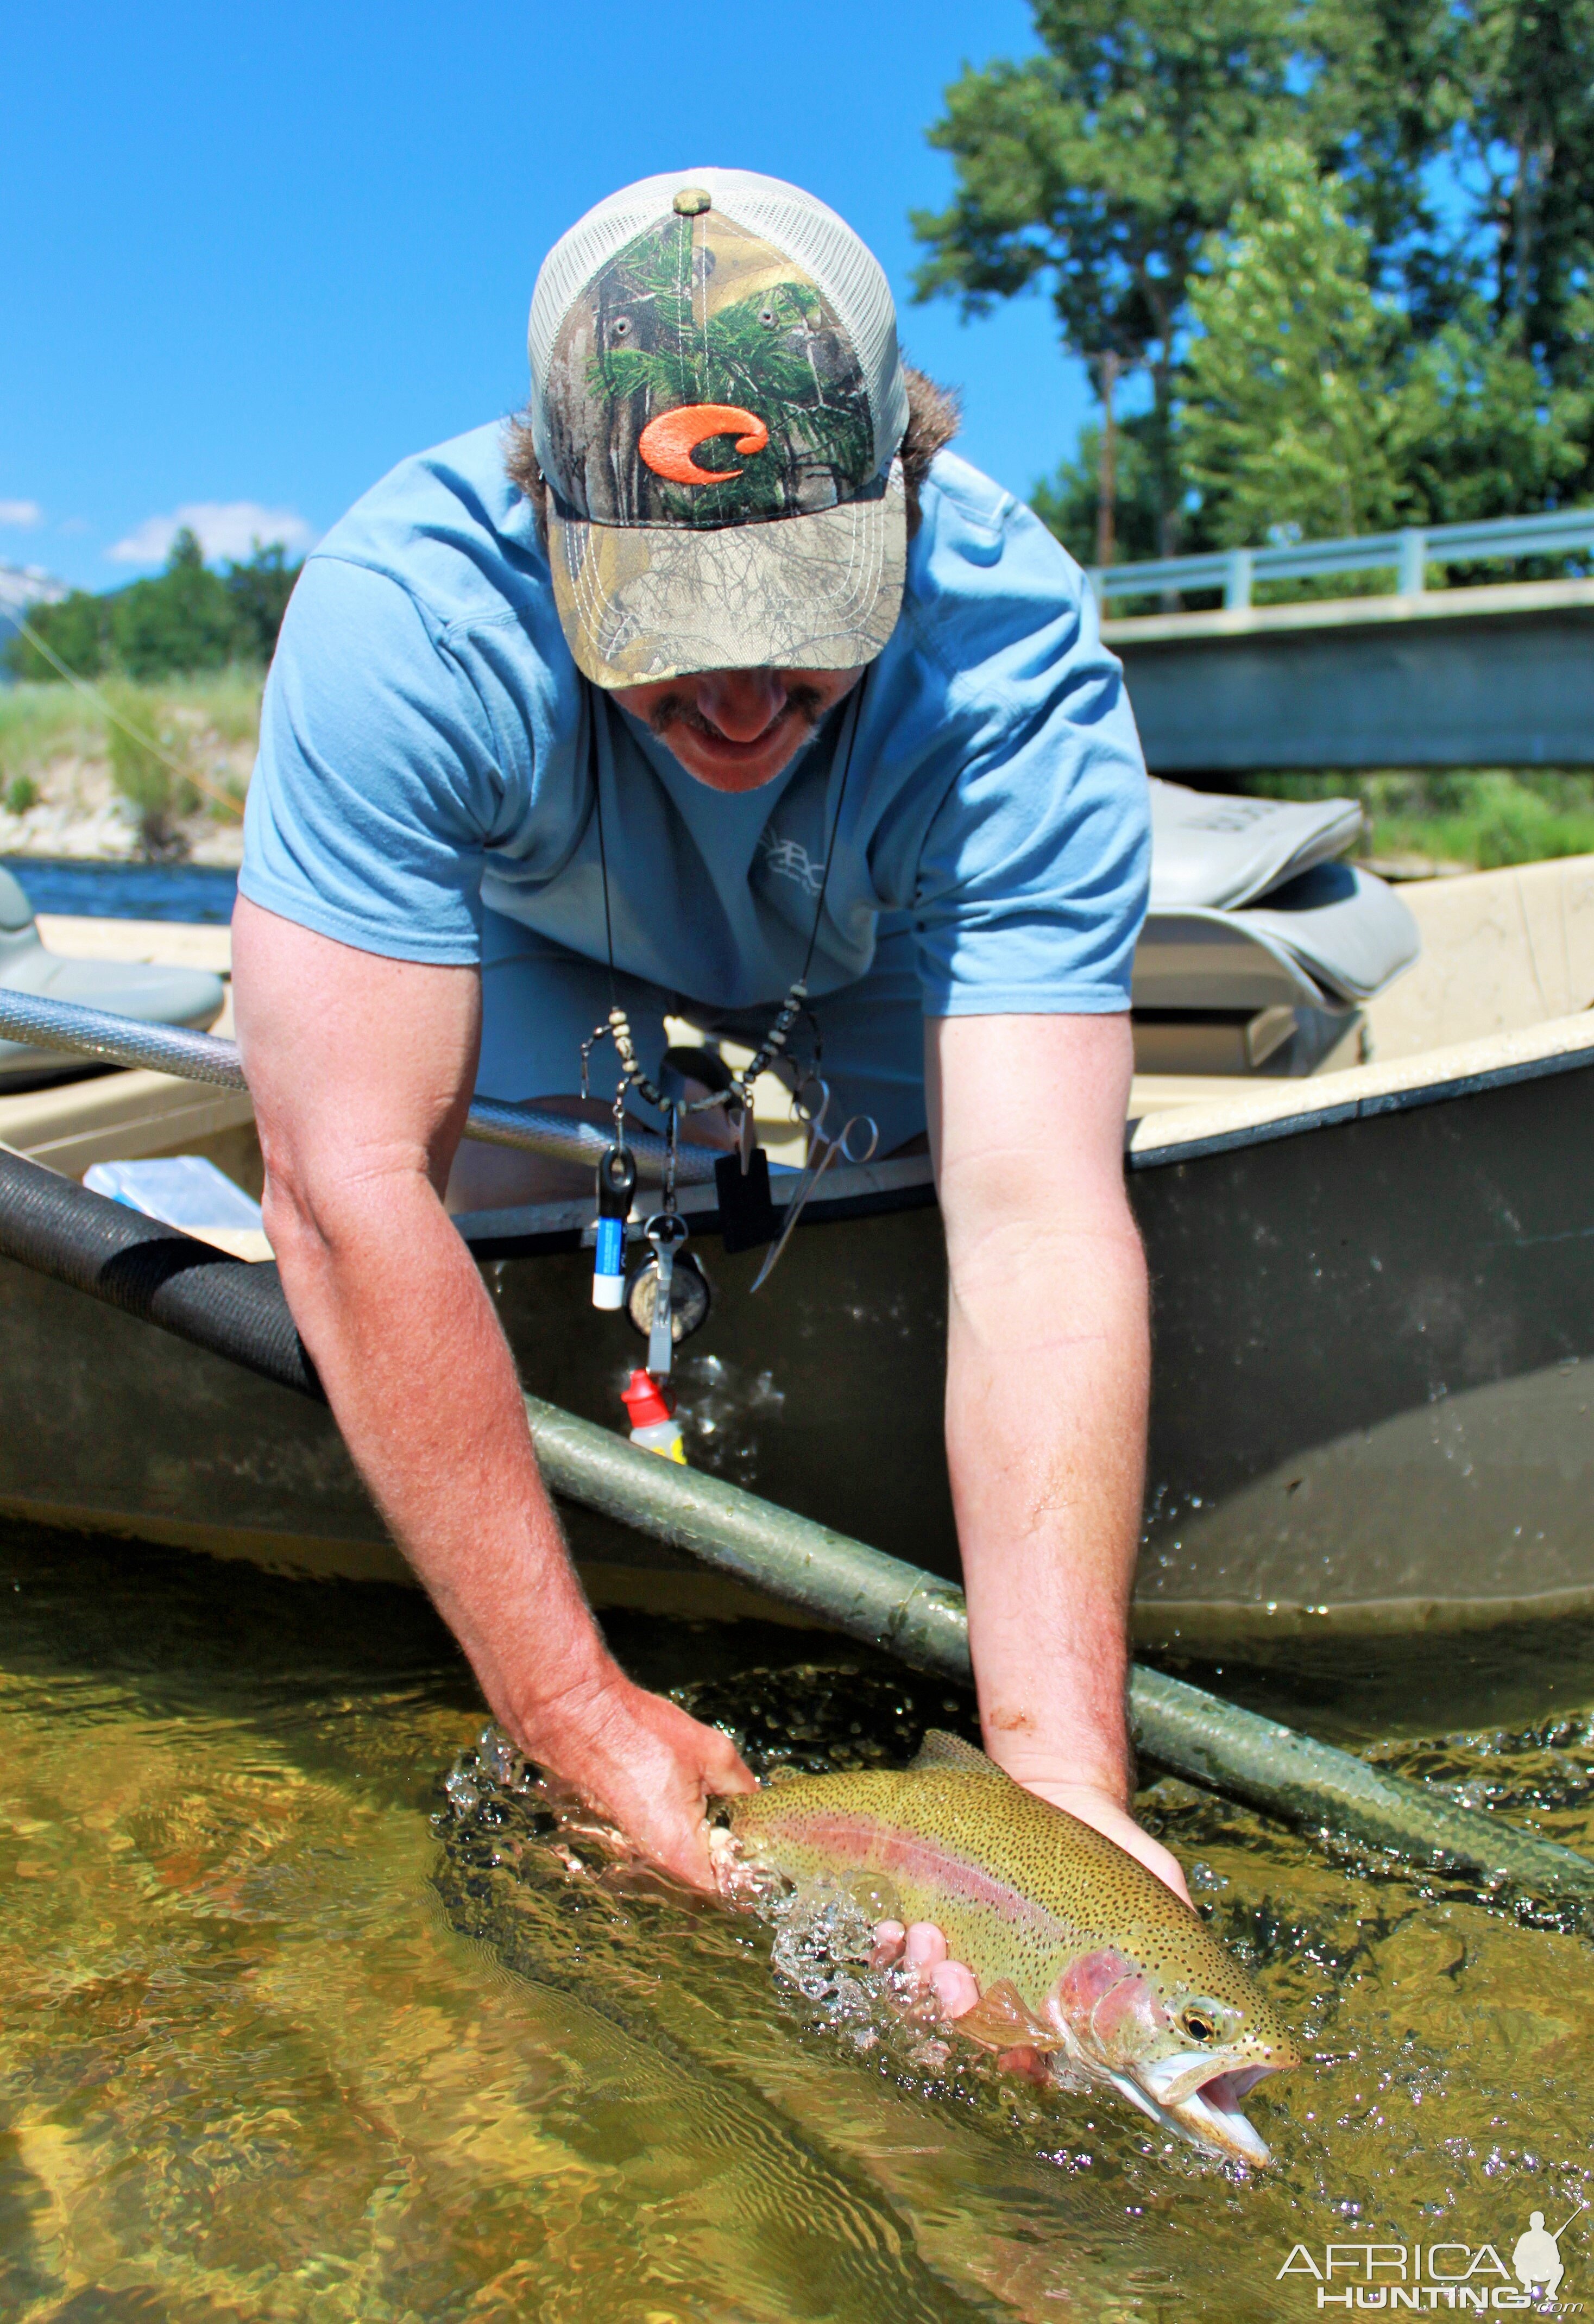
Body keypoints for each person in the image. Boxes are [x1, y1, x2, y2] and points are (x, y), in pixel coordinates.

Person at [232, 167, 1182, 1949]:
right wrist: (566, 1702)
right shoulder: (407, 622)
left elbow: (1044, 1222)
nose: (742, 704)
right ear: (552, 523)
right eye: (674, 635)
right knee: (437, 1232)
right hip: (532, 958)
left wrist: (1056, 1798)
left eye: (805, 617)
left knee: (928, 1206)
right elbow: (342, 1185)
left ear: (904, 492)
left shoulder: (1010, 663)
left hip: (873, 953)